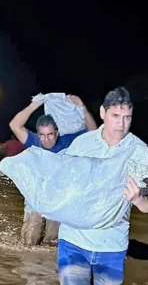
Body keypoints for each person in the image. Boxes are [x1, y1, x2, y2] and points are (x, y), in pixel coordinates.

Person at [57, 87, 148, 285]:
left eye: (127, 118)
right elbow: (58, 181)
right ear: (103, 113)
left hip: (112, 247)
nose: (122, 124)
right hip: (74, 241)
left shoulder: (140, 153)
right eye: (116, 116)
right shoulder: (81, 145)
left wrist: (138, 199)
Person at [9, 94, 98, 246]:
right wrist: (35, 104)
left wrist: (82, 107)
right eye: (42, 135)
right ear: (38, 134)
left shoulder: (69, 141)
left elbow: (93, 132)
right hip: (35, 199)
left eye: (50, 134)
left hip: (58, 200)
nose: (46, 139)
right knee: (29, 240)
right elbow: (15, 125)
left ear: (57, 132)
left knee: (51, 242)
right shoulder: (33, 142)